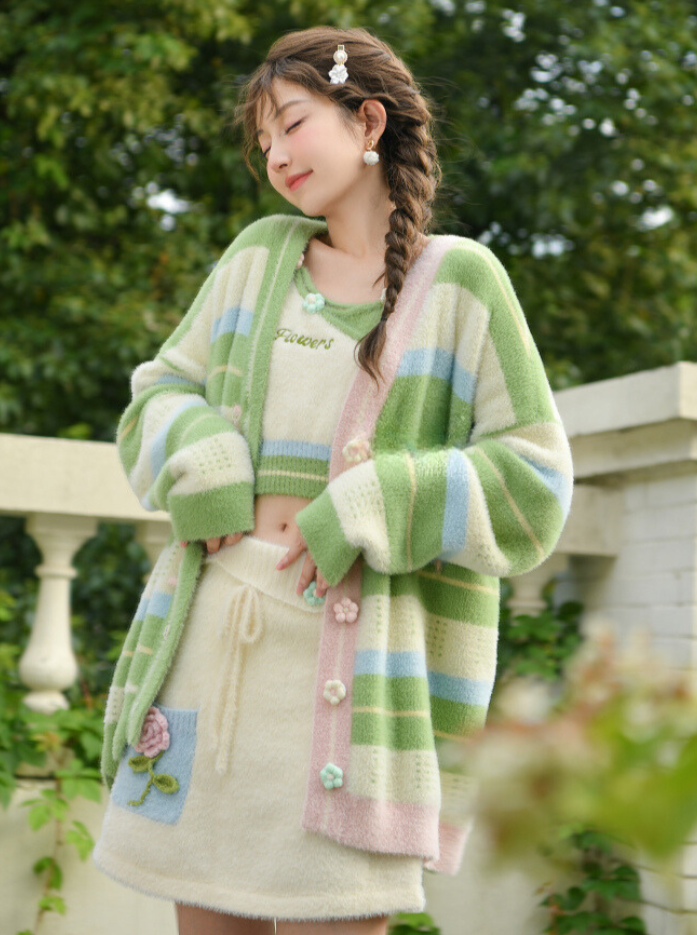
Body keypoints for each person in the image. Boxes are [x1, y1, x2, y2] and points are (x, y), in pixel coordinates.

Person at [92, 24, 574, 935]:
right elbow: (159, 390)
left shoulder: (462, 283)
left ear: (367, 121)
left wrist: (366, 503)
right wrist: (207, 458)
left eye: (291, 123)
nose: (273, 153)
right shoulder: (253, 261)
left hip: (357, 693)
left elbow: (534, 482)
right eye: (261, 139)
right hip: (211, 650)